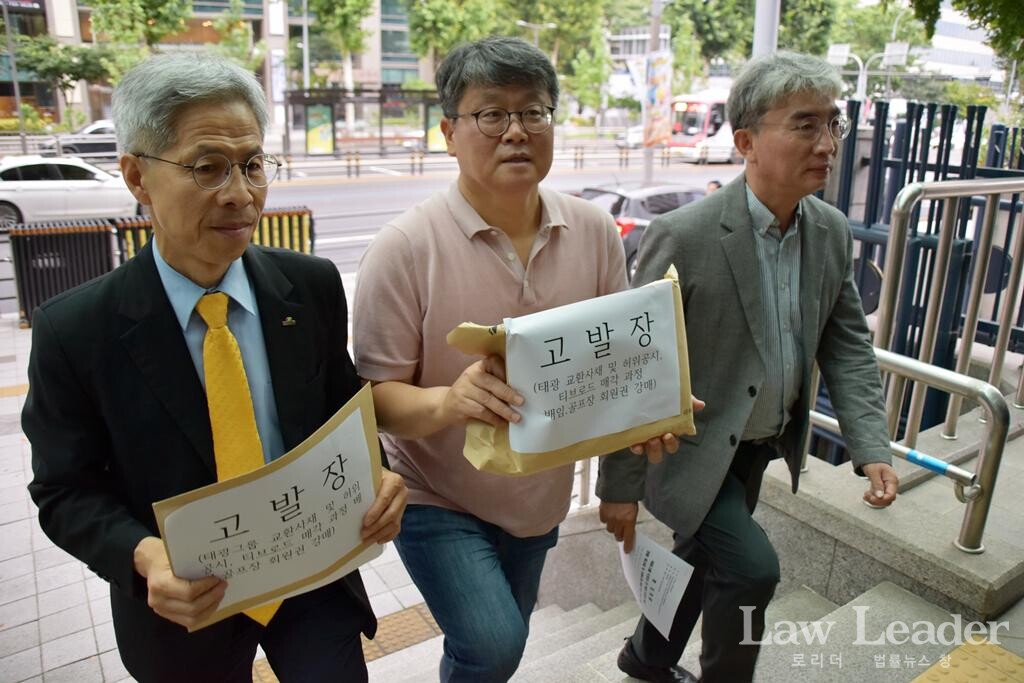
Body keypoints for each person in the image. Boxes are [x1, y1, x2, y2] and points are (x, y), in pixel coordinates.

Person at [23, 53, 406, 683]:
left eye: (253, 165)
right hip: (185, 605)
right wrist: (144, 556)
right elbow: (64, 490)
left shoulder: (308, 288)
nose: (240, 193)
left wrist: (380, 477)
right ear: (137, 177)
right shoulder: (76, 330)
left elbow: (343, 410)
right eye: (207, 168)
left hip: (311, 574)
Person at [597, 51, 900, 683]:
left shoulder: (831, 231)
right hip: (687, 450)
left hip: (760, 443)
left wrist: (871, 445)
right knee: (753, 568)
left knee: (702, 557)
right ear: (746, 141)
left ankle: (645, 658)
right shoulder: (687, 234)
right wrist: (619, 488)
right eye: (805, 125)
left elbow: (845, 344)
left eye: (833, 125)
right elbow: (635, 365)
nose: (828, 144)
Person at [353, 36, 648, 682]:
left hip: (539, 493)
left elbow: (618, 356)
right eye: (491, 114)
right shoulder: (404, 248)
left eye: (533, 112)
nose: (516, 131)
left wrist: (656, 407)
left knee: (496, 649)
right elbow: (374, 396)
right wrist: (447, 401)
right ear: (449, 132)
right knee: (492, 642)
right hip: (436, 492)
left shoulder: (594, 231)